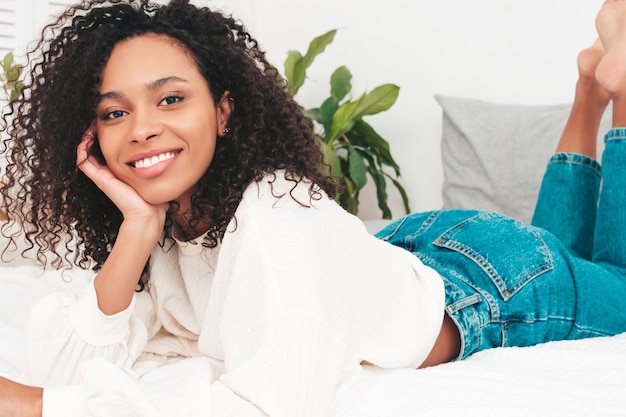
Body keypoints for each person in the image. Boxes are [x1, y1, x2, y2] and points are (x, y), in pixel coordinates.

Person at [1, 0, 626, 415]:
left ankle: (620, 93)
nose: (140, 128)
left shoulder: (272, 210)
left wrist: (40, 407)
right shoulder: (167, 221)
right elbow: (64, 366)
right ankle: (587, 95)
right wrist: (136, 230)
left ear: (223, 110)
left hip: (491, 287)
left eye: (169, 99)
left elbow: (275, 402)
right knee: (572, 254)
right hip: (415, 249)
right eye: (115, 112)